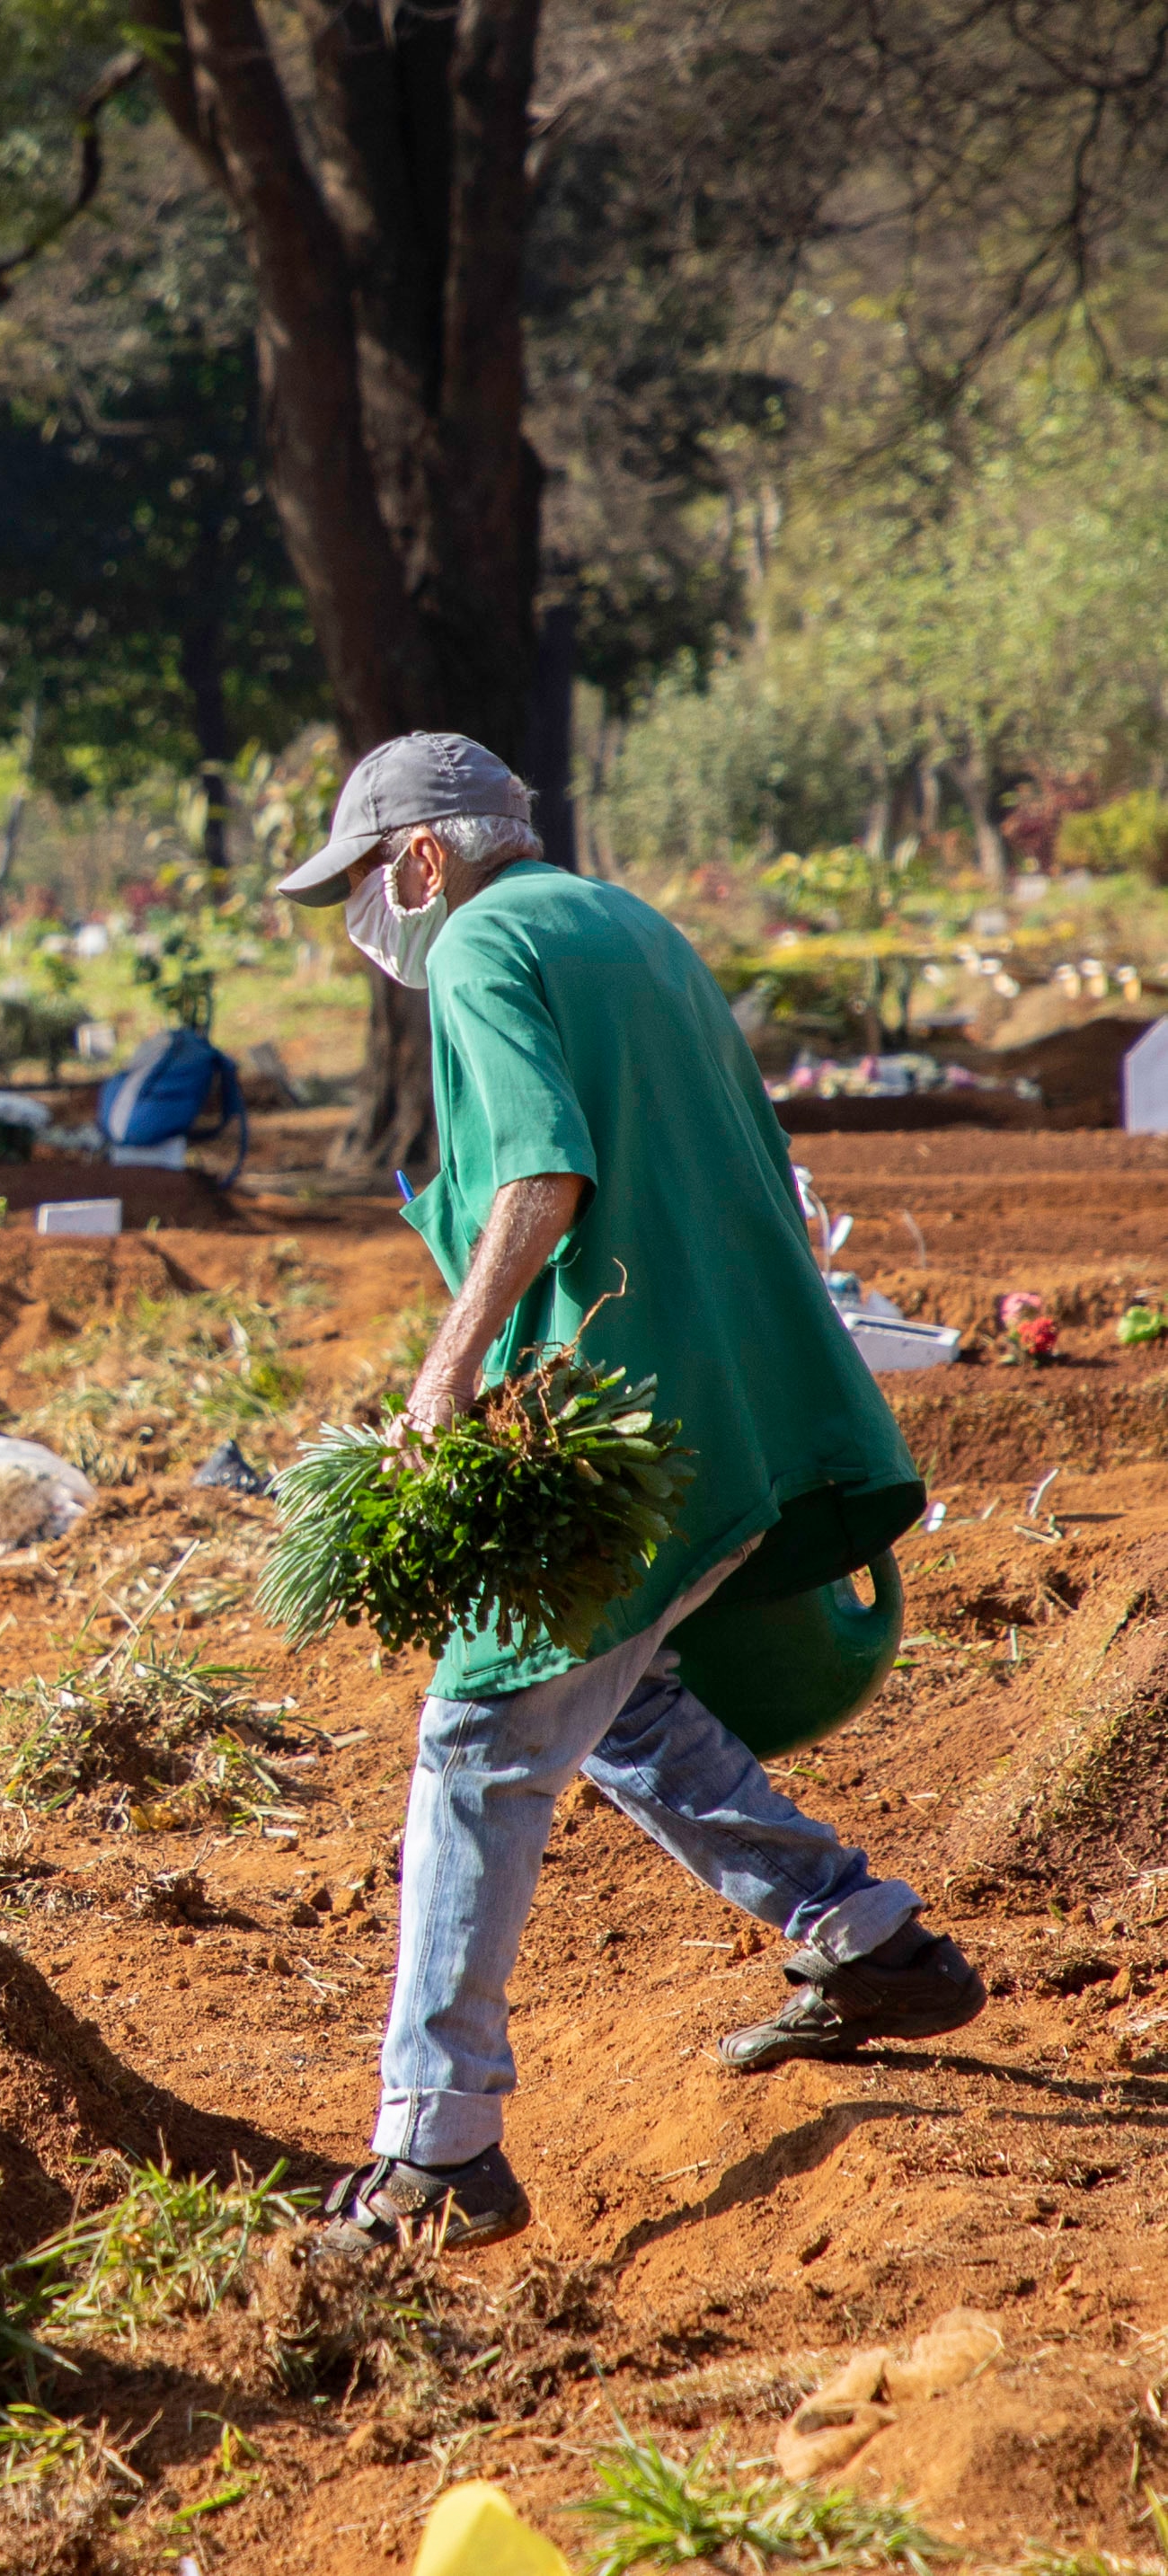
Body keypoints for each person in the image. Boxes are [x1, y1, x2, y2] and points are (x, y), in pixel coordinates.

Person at [277, 731, 977, 2252]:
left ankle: (436, 2148)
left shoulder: (474, 945)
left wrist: (442, 1383)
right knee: (626, 1702)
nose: (365, 924)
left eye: (360, 886)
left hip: (632, 1418)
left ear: (420, 860)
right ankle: (865, 1937)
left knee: (478, 1733)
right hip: (739, 1381)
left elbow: (541, 1179)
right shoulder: (629, 924)